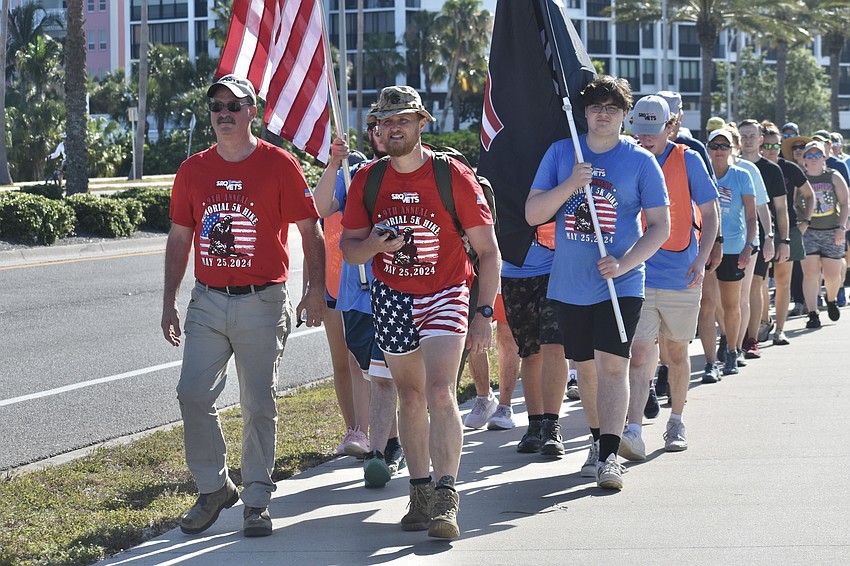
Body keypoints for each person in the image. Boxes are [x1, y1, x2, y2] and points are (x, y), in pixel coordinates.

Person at [161, 74, 326, 537]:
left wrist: (314, 289)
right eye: (217, 106)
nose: (225, 113)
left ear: (253, 111)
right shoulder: (192, 170)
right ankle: (214, 488)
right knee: (192, 393)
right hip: (208, 301)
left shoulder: (279, 165)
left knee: (258, 403)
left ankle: (256, 499)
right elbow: (180, 237)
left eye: (235, 105)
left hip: (262, 300)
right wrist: (170, 300)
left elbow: (310, 231)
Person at [340, 85, 499, 539]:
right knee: (409, 397)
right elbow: (350, 251)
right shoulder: (368, 180)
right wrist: (374, 244)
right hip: (391, 297)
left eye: (402, 120)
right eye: (386, 122)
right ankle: (420, 492)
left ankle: (447, 497)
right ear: (377, 128)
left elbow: (489, 252)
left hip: (447, 291)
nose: (393, 128)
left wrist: (483, 313)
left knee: (440, 390)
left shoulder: (452, 176)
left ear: (421, 123)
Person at [525, 76, 670, 490]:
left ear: (625, 115)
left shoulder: (640, 161)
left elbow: (660, 226)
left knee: (612, 366)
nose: (602, 113)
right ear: (583, 113)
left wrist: (624, 264)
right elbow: (534, 213)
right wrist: (572, 182)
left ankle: (609, 456)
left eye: (612, 107)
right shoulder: (560, 153)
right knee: (585, 369)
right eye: (595, 107)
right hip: (570, 282)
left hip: (619, 284)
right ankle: (596, 440)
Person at [621, 95, 719, 460]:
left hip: (682, 272)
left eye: (653, 132)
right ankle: (632, 429)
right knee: (641, 351)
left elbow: (710, 213)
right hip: (639, 271)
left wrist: (703, 258)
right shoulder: (626, 158)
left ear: (671, 127)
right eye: (640, 131)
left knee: (676, 352)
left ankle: (676, 419)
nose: (645, 139)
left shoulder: (687, 159)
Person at [314, 120, 406, 489]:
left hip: (401, 286)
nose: (384, 131)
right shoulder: (353, 175)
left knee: (391, 370)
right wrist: (335, 165)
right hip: (357, 292)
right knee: (371, 369)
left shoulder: (418, 172)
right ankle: (385, 443)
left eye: (395, 123)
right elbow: (319, 206)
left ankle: (387, 447)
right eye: (378, 125)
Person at [498, 222, 570, 457]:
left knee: (554, 345)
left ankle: (551, 426)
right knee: (529, 352)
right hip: (514, 272)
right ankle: (535, 424)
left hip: (556, 268)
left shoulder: (553, 182)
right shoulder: (501, 182)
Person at [698, 126, 757, 378]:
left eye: (724, 146)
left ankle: (732, 350)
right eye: (714, 146)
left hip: (733, 247)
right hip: (706, 247)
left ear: (732, 149)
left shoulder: (742, 175)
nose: (719, 151)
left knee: (731, 305)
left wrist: (749, 246)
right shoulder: (700, 173)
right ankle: (711, 363)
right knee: (707, 305)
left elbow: (752, 216)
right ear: (707, 148)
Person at [758, 122, 815, 345]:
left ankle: (779, 330)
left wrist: (805, 223)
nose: (772, 149)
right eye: (768, 144)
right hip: (761, 230)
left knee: (783, 282)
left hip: (787, 230)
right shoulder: (753, 167)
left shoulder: (789, 168)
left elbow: (810, 195)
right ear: (761, 145)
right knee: (760, 282)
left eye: (776, 145)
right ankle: (764, 320)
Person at [737, 119, 789, 359]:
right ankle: (731, 338)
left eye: (752, 135)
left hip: (758, 237)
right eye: (743, 135)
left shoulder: (771, 169)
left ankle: (751, 338)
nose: (747, 139)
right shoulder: (728, 165)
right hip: (730, 238)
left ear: (760, 139)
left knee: (756, 285)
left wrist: (780, 239)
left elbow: (780, 208)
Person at [798, 140, 849, 327]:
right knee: (810, 273)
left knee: (833, 276)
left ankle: (831, 298)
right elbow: (793, 203)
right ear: (804, 159)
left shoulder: (833, 176)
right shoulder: (801, 178)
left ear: (824, 157)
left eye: (817, 155)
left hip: (832, 231)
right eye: (809, 155)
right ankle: (813, 313)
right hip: (808, 231)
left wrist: (841, 228)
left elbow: (845, 203)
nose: (813, 159)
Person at [465, 294, 521, 430]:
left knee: (506, 333)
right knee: (474, 332)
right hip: (479, 277)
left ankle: (505, 407)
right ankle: (484, 398)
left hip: (506, 276)